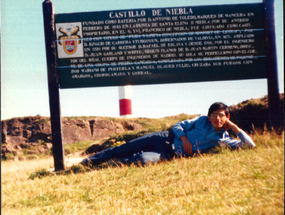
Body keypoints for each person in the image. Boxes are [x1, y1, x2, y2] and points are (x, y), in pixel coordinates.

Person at [81, 102, 255, 166]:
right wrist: (184, 138)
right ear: (209, 116)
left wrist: (233, 127)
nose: (217, 118)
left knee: (142, 160)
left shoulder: (224, 140)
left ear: (227, 117)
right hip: (163, 137)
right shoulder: (201, 120)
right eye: (214, 115)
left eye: (221, 116)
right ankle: (86, 162)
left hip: (168, 153)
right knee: (124, 147)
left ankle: (111, 165)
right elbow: (178, 125)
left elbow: (250, 146)